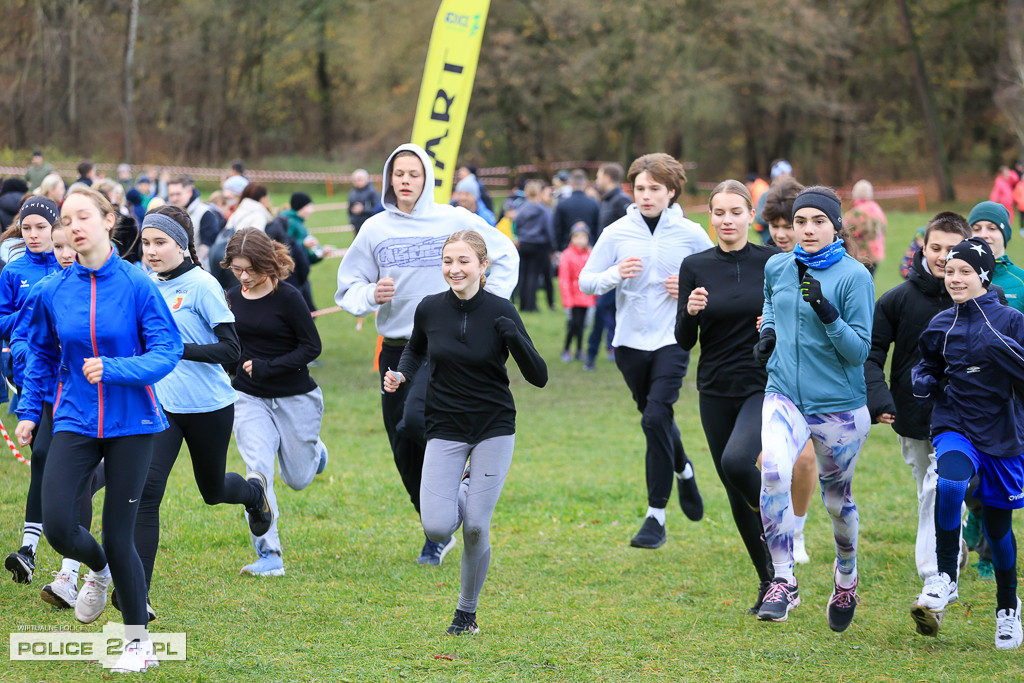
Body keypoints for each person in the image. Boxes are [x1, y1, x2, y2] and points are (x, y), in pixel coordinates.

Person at [14, 185, 183, 673]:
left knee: (118, 532)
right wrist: (28, 412)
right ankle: (100, 571)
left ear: (108, 221)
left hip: (133, 422)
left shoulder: (137, 284)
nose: (74, 226)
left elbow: (166, 351)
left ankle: (137, 642)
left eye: (83, 216)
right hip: (75, 418)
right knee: (60, 527)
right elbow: (43, 356)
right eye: (67, 219)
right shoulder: (53, 291)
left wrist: (116, 369)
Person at [335, 142, 519, 565]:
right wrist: (370, 293)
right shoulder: (375, 229)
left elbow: (504, 254)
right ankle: (437, 527)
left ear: (427, 179)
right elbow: (347, 287)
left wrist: (487, 305)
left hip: (447, 349)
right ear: (388, 178)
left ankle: (459, 479)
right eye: (398, 173)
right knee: (402, 438)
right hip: (398, 349)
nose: (405, 181)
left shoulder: (453, 219)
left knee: (418, 422)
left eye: (413, 174)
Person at [384, 229, 547, 636]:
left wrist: (514, 338)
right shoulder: (428, 309)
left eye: (463, 262)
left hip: (493, 425)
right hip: (446, 425)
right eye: (447, 262)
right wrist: (401, 374)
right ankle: (464, 486)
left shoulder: (501, 310)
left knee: (475, 525)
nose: (454, 269)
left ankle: (465, 614)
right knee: (437, 527)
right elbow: (416, 349)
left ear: (482, 266)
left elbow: (538, 376)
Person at [132, 207, 273, 609]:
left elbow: (232, 349)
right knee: (147, 494)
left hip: (209, 407)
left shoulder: (203, 286)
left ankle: (252, 493)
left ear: (182, 245)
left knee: (211, 491)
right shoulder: (145, 286)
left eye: (161, 243)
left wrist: (177, 351)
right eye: (146, 243)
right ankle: (137, 595)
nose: (152, 251)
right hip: (163, 405)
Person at [754, 186, 874, 631]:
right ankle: (783, 580)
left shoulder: (854, 277)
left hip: (839, 406)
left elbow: (858, 352)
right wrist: (767, 333)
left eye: (817, 221)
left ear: (835, 226)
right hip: (783, 391)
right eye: (800, 221)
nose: (806, 229)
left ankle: (846, 575)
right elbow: (770, 303)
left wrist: (825, 309)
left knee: (837, 501)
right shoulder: (777, 266)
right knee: (771, 470)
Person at [580, 153, 709, 548]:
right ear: (631, 191)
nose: (647, 195)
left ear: (672, 191)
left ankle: (656, 518)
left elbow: (719, 278)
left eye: (656, 188)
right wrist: (615, 274)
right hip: (629, 344)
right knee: (657, 419)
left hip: (673, 340)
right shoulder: (617, 232)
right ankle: (684, 470)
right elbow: (586, 281)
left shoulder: (690, 232)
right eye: (641, 188)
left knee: (655, 418)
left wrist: (687, 291)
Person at [910, 237, 1024, 649]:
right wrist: (922, 381)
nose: (954, 278)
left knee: (997, 531)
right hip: (953, 423)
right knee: (950, 482)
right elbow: (927, 366)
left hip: (1003, 434)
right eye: (950, 270)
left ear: (984, 276)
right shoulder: (940, 325)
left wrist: (1006, 353)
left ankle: (1008, 609)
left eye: (965, 271)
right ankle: (944, 576)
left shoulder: (1010, 321)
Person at [676, 179, 780, 611]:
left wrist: (771, 329)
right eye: (719, 212)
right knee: (734, 487)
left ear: (750, 215)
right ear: (710, 217)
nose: (727, 220)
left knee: (737, 461)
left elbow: (792, 325)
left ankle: (781, 520)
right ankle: (769, 581)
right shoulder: (695, 266)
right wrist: (690, 311)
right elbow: (684, 341)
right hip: (714, 387)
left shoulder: (774, 261)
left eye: (735, 212)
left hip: (761, 381)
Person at [864, 212, 971, 616]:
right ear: (922, 248)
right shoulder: (897, 299)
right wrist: (879, 398)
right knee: (928, 488)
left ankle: (933, 582)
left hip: (964, 417)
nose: (944, 258)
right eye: (936, 248)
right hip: (911, 415)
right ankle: (952, 545)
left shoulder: (980, 297)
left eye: (952, 250)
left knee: (938, 488)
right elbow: (872, 356)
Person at [224, 228, 327, 577]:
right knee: (258, 472)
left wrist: (269, 367)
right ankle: (270, 555)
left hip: (295, 396)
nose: (243, 277)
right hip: (248, 398)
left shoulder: (289, 298)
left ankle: (315, 453)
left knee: (298, 478)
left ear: (266, 264)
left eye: (249, 269)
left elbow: (312, 347)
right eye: (237, 269)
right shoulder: (230, 298)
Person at [758, 175, 817, 564]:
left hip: (815, 376)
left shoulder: (824, 262)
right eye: (775, 227)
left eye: (788, 226)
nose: (781, 234)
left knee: (807, 459)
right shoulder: (765, 261)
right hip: (769, 374)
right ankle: (775, 530)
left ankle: (797, 529)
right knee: (767, 461)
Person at [2, 197, 59, 583]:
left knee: (50, 458)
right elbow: (6, 319)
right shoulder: (13, 270)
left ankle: (68, 551)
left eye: (41, 227)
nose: (34, 235)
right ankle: (29, 550)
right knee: (41, 457)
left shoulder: (72, 265)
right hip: (32, 378)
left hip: (73, 381)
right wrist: (21, 342)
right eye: (27, 228)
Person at [585, 163, 631, 371]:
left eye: (598, 175)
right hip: (606, 268)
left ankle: (594, 353)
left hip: (621, 269)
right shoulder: (606, 201)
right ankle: (601, 351)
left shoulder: (622, 202)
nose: (596, 180)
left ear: (608, 177)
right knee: (606, 308)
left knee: (605, 308)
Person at [969, 201, 1024, 313]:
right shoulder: (955, 278)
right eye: (976, 229)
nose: (983, 234)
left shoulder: (1021, 280)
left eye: (992, 228)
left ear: (1005, 234)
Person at [513, 180, 556, 313]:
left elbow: (517, 225)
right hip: (539, 244)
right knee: (533, 275)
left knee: (523, 275)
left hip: (524, 243)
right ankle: (531, 305)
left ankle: (523, 304)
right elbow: (549, 229)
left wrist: (521, 236)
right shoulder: (543, 210)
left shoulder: (521, 208)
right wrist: (553, 247)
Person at [558, 223, 596, 362]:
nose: (580, 240)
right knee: (573, 324)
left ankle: (579, 349)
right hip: (573, 297)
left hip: (586, 297)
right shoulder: (567, 255)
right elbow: (564, 279)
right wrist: (567, 300)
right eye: (577, 236)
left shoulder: (590, 254)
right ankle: (566, 349)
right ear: (572, 238)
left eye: (583, 237)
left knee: (582, 325)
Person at [167, 175, 220, 266]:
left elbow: (207, 245)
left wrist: (193, 265)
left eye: (178, 194)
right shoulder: (167, 212)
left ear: (189, 192)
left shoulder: (205, 213)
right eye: (171, 195)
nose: (174, 198)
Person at [843, 179, 887, 274]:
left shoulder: (855, 212)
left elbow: (845, 231)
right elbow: (884, 227)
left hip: (860, 254)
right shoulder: (876, 208)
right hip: (875, 253)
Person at [553, 169, 600, 251]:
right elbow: (598, 229)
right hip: (589, 250)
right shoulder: (594, 204)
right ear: (586, 184)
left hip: (567, 250)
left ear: (570, 183)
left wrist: (559, 248)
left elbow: (557, 230)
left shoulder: (562, 205)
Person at [347, 168, 381, 236]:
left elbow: (378, 210)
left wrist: (363, 209)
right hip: (357, 227)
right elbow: (349, 209)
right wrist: (352, 221)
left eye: (359, 179)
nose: (357, 182)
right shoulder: (352, 193)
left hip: (372, 227)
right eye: (355, 180)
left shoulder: (373, 192)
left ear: (366, 179)